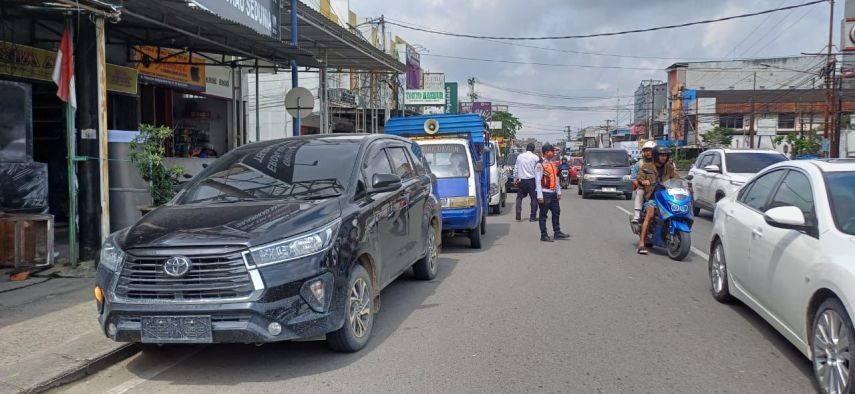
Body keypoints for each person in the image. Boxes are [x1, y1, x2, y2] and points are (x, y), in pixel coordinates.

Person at [636, 145, 681, 255]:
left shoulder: (669, 167)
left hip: (667, 196)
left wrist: (686, 185)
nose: (663, 157)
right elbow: (639, 177)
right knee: (650, 214)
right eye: (661, 155)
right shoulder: (647, 167)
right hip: (653, 197)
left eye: (665, 155)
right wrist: (644, 182)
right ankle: (641, 244)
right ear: (656, 156)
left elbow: (677, 177)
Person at [536, 144, 570, 242]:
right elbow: (538, 181)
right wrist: (539, 196)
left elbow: (555, 178)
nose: (554, 153)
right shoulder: (540, 164)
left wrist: (558, 191)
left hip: (553, 193)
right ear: (546, 152)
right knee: (543, 215)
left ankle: (557, 232)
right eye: (552, 151)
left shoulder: (552, 163)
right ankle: (544, 235)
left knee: (556, 212)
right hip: (544, 193)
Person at [631, 141, 657, 223]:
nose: (648, 153)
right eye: (646, 151)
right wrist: (639, 184)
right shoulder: (639, 164)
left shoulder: (661, 162)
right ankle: (637, 215)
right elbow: (634, 178)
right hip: (644, 188)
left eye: (650, 150)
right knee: (640, 192)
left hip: (659, 187)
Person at [513, 143, 540, 222]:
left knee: (519, 197)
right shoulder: (535, 157)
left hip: (522, 180)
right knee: (534, 198)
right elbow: (538, 170)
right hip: (532, 180)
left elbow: (516, 168)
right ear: (533, 149)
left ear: (526, 148)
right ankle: (532, 217)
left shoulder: (520, 156)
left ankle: (518, 211)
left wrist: (515, 179)